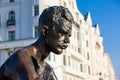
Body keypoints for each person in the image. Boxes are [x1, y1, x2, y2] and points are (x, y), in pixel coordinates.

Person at [0, 6, 73, 80]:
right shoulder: (22, 57)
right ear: (45, 32)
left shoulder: (47, 70)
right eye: (62, 33)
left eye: (69, 36)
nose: (67, 40)